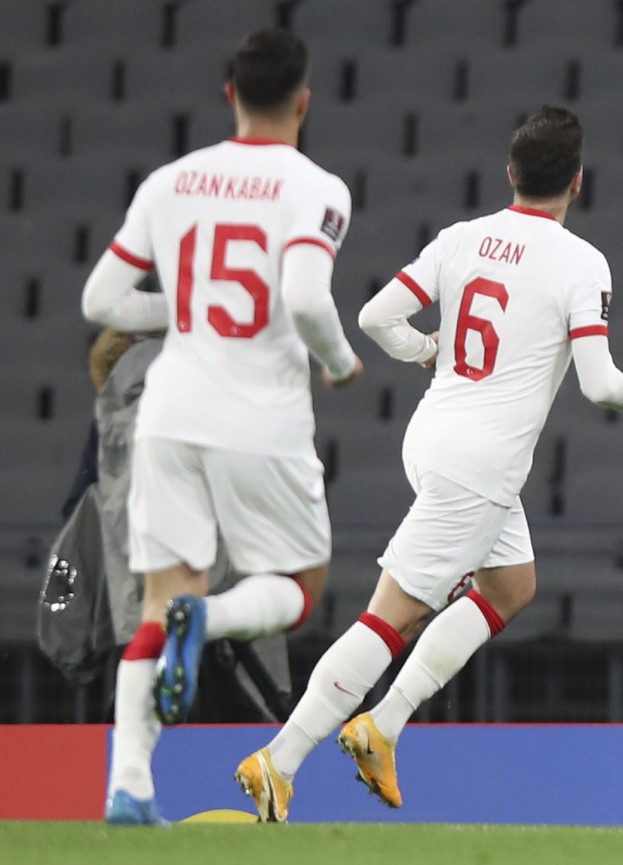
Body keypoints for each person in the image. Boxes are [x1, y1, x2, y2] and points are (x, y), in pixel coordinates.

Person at [234, 105, 623, 822]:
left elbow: (375, 316)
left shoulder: (462, 238)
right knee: (390, 617)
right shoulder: (581, 262)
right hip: (482, 466)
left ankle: (384, 725)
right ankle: (281, 758)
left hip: (431, 435)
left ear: (511, 174)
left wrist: (426, 349)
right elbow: (598, 383)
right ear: (578, 182)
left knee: (510, 584)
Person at [80, 29, 361, 826]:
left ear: (229, 95)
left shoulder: (171, 182)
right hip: (261, 420)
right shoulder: (317, 187)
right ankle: (209, 619)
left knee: (156, 601)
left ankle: (128, 784)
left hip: (168, 412)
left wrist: (184, 310)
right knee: (297, 591)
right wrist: (338, 361)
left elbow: (101, 301)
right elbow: (306, 298)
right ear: (303, 102)